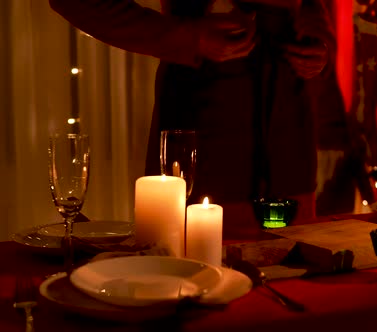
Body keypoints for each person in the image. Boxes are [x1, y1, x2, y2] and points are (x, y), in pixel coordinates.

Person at [48, 0, 336, 232]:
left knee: (296, 275)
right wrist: (188, 37)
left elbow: (313, 6)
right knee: (195, 274)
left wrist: (320, 43)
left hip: (288, 130)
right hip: (204, 126)